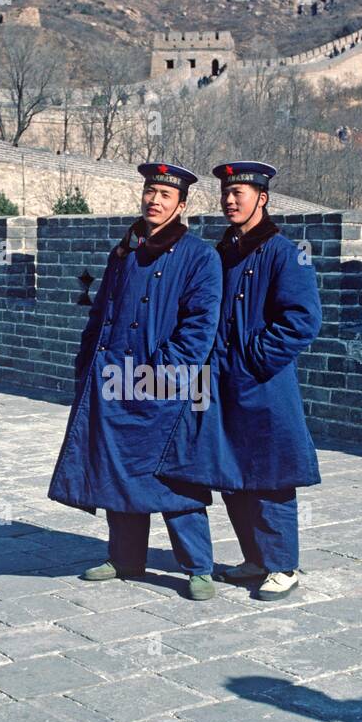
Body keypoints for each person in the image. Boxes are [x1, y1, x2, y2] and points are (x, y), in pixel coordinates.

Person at [48, 162, 223, 600]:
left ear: (181, 205)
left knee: (173, 478)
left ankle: (198, 567)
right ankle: (125, 558)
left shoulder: (200, 257)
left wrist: (161, 373)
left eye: (165, 195)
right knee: (116, 470)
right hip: (113, 379)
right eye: (150, 191)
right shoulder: (124, 250)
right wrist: (87, 362)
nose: (154, 200)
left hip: (166, 385)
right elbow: (100, 313)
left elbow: (200, 328)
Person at [158, 162, 322, 601]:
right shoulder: (224, 250)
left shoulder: (285, 251)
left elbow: (303, 320)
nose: (231, 201)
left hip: (263, 383)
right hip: (219, 383)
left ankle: (283, 566)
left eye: (241, 193)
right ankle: (256, 558)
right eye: (227, 194)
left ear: (262, 199)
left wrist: (253, 360)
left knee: (270, 474)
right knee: (230, 473)